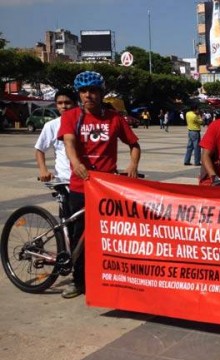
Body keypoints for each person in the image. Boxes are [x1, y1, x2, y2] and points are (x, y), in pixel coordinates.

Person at [57, 71, 141, 299]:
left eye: (93, 91)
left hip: (107, 188)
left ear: (101, 93)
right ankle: (78, 281)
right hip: (80, 186)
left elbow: (134, 144)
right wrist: (76, 163)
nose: (88, 95)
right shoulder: (71, 116)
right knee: (79, 235)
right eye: (84, 91)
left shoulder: (114, 118)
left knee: (110, 234)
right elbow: (69, 143)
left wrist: (132, 165)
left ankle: (109, 277)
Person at [34, 88, 77, 182]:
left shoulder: (85, 123)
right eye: (60, 103)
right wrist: (43, 170)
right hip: (64, 179)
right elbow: (39, 150)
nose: (64, 106)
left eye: (67, 102)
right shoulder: (51, 125)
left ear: (75, 104)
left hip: (87, 178)